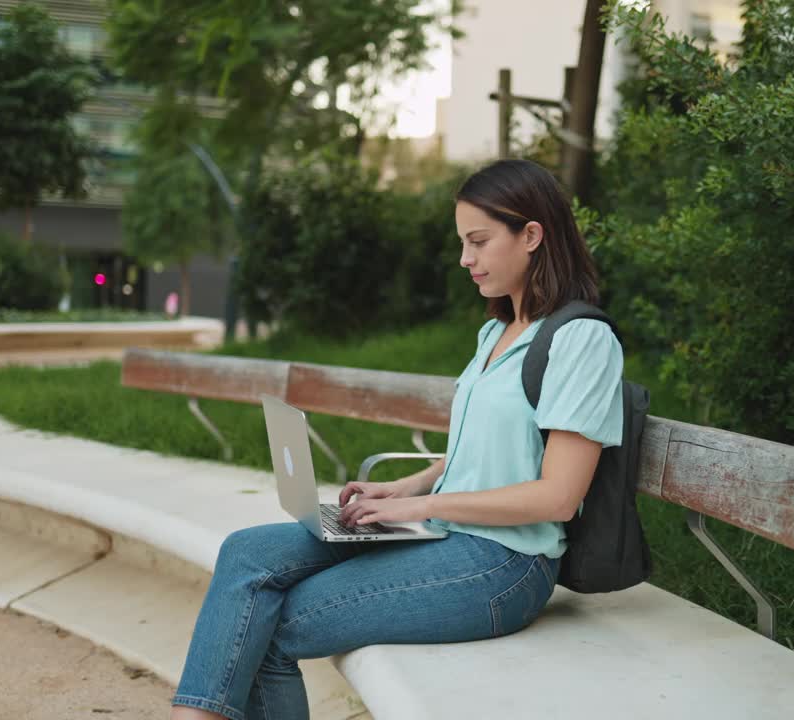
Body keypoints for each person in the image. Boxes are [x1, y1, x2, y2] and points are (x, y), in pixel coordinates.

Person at [170, 159, 626, 720]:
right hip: (444, 530)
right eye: (463, 242)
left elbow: (558, 495)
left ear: (531, 235)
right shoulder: (495, 333)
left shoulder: (584, 341)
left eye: (479, 241)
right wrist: (403, 488)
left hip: (504, 563)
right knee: (246, 551)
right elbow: (484, 449)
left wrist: (422, 505)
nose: (465, 259)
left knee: (272, 625)